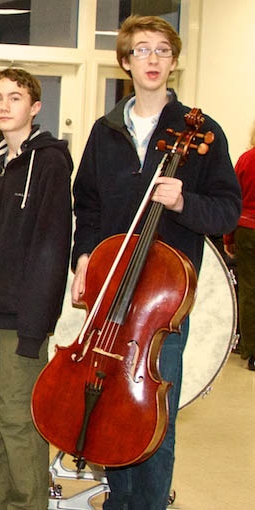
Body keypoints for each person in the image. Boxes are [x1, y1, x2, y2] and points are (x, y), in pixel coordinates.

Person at [70, 16, 240, 509]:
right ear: (125, 62)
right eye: (142, 50)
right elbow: (88, 205)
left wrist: (184, 201)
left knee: (152, 419)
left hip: (164, 305)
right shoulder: (105, 131)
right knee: (109, 407)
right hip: (110, 293)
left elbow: (227, 209)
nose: (152, 58)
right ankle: (117, 501)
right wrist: (84, 259)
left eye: (162, 50)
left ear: (173, 61)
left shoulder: (202, 132)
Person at [0, 69, 73, 510]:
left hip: (23, 317)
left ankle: (27, 503)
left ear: (35, 107)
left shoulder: (50, 163)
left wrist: (35, 326)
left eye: (15, 97)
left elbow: (52, 248)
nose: (4, 105)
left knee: (17, 417)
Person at [224, 124, 255, 372]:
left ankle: (252, 351)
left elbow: (234, 200)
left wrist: (228, 238)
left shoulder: (246, 159)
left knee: (248, 290)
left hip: (247, 231)